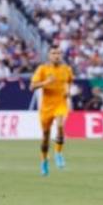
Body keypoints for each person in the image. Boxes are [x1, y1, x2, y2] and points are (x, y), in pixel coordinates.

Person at [30, 46, 74, 176]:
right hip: (46, 108)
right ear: (49, 55)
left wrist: (67, 91)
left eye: (59, 53)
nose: (57, 55)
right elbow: (32, 86)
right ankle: (44, 162)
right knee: (45, 137)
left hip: (60, 103)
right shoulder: (43, 69)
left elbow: (69, 82)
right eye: (54, 53)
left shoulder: (67, 69)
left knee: (60, 126)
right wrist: (45, 82)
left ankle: (58, 153)